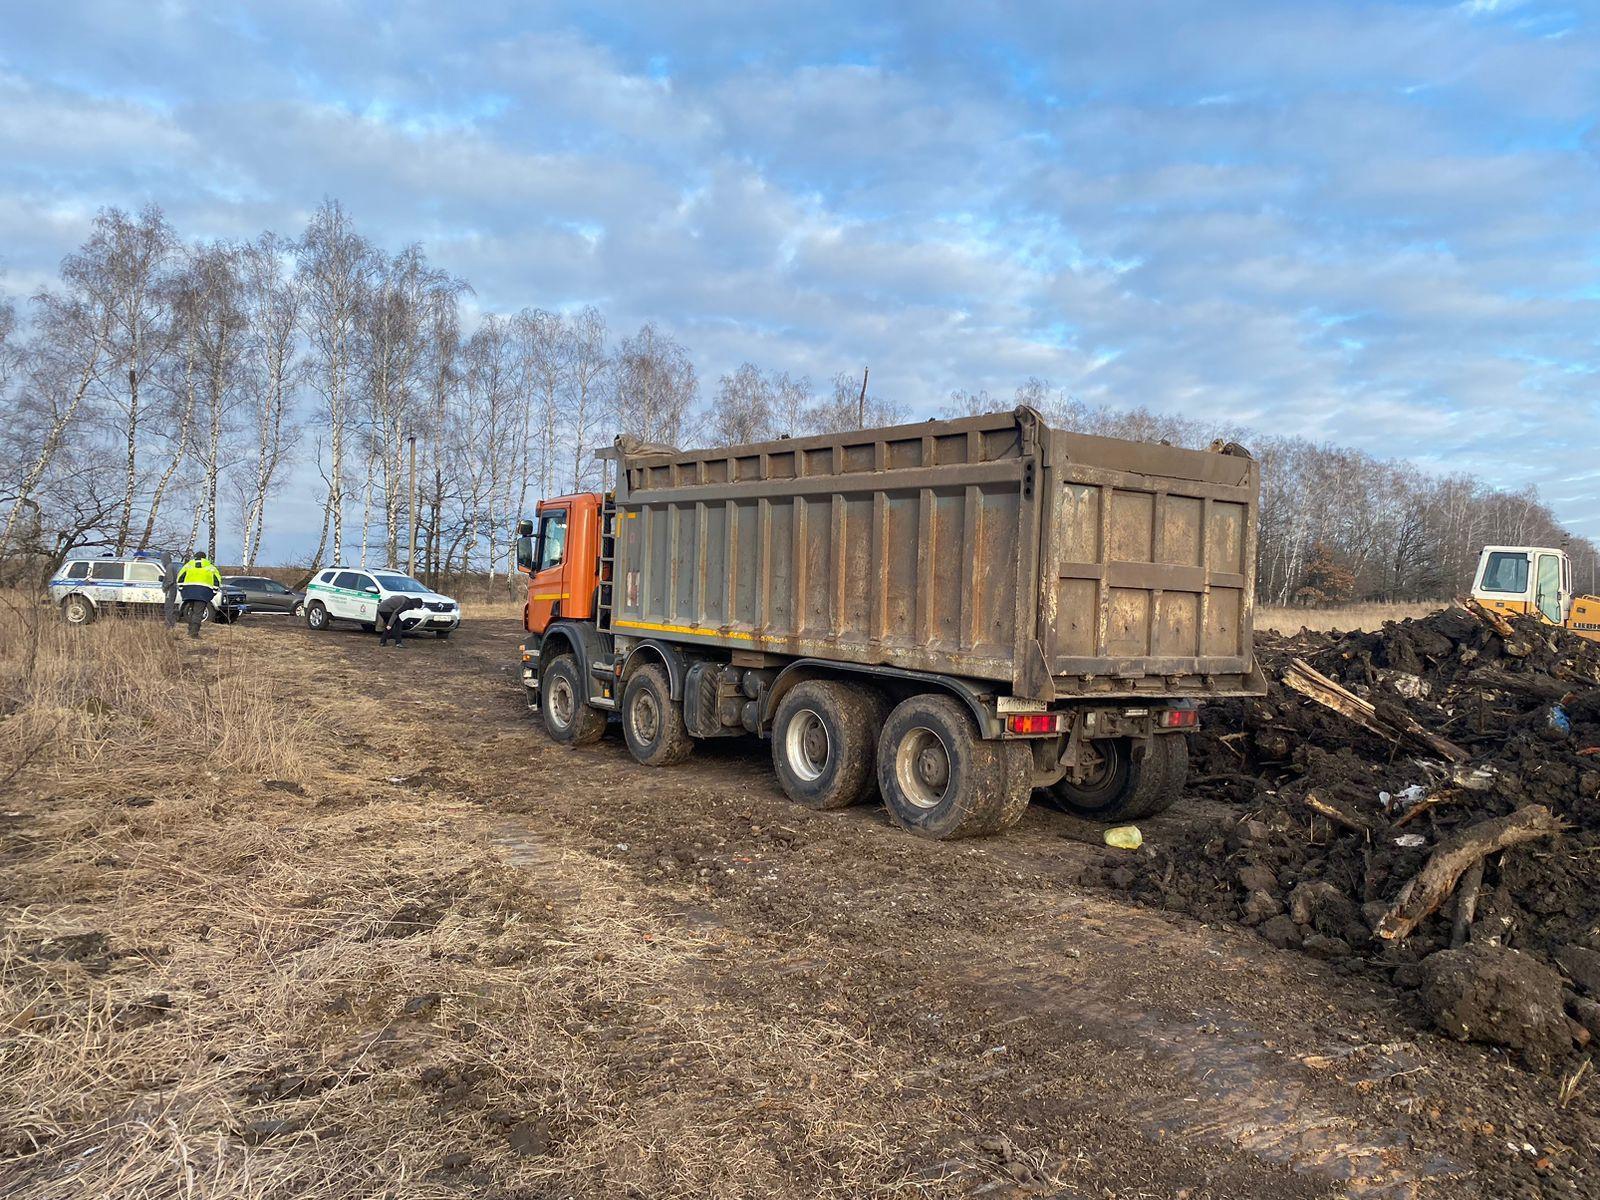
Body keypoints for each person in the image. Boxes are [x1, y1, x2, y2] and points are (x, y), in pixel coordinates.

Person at [176, 553, 222, 638]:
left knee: (191, 612)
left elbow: (180, 579)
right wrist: (213, 592)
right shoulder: (211, 568)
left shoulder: (188, 566)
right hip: (203, 593)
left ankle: (190, 630)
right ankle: (193, 633)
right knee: (198, 613)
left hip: (188, 592)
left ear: (195, 557)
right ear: (205, 558)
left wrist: (182, 590)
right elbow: (217, 581)